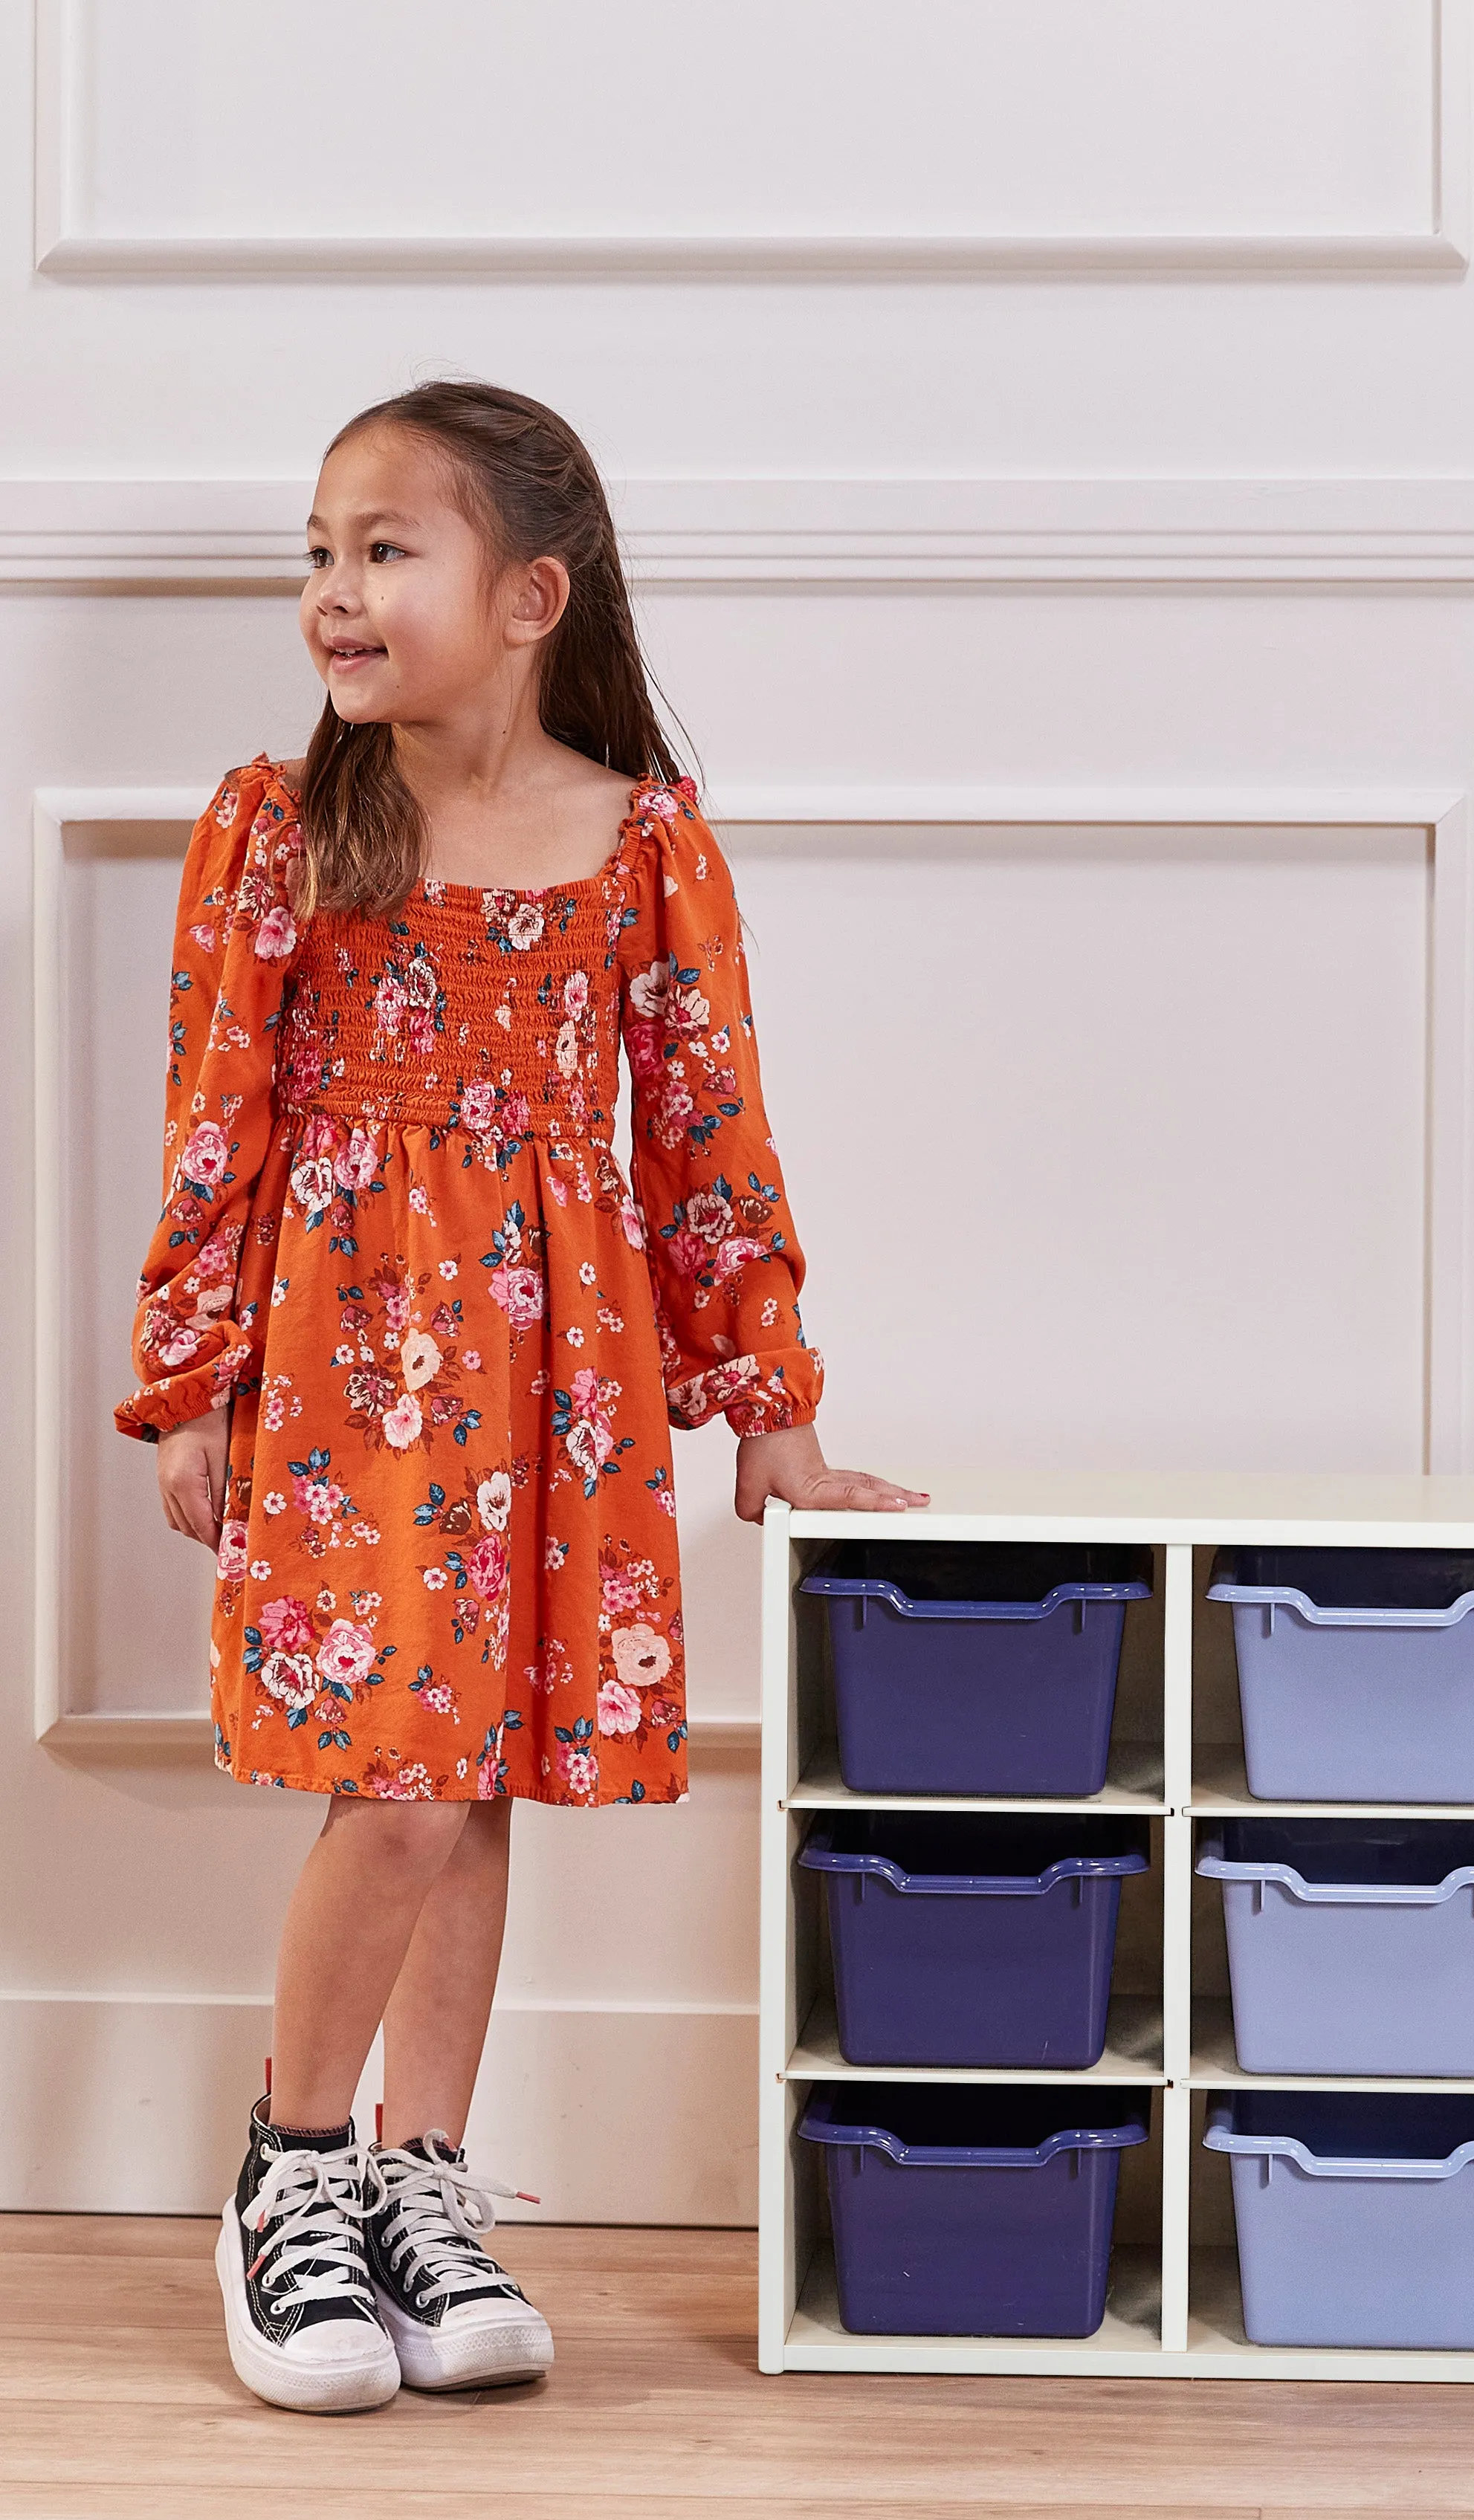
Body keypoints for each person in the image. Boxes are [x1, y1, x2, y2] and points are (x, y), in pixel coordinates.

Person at [114, 380, 925, 2412]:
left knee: (470, 1788)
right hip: (347, 1367)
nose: (335, 591)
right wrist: (192, 1383)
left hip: (554, 1384)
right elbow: (214, 1123)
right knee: (392, 1780)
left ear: (532, 594)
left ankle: (421, 2181)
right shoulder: (283, 830)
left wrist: (773, 1407)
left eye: (386, 550)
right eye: (319, 553)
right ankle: (288, 2171)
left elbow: (708, 1137)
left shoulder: (643, 848)